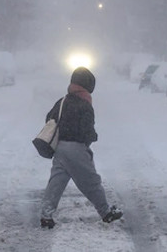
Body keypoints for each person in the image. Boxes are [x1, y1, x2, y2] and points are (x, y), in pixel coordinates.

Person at [39, 66, 123, 229]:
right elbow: (87, 131)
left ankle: (46, 215)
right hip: (76, 148)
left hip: (60, 148)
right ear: (87, 87)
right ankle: (106, 212)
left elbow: (49, 118)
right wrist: (93, 137)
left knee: (56, 182)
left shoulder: (62, 101)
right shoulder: (85, 105)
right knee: (91, 181)